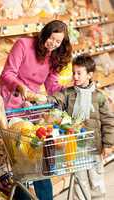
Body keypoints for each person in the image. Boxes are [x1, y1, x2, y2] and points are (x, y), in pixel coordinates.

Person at [0, 20, 72, 200]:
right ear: (45, 33)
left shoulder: (52, 57)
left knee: (35, 159)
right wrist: (22, 88)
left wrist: (66, 93)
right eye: (51, 38)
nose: (53, 44)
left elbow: (51, 85)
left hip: (29, 111)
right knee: (24, 160)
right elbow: (7, 74)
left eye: (58, 42)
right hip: (9, 107)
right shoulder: (23, 44)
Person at [48, 53, 114, 200]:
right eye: (74, 73)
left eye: (79, 73)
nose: (75, 76)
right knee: (79, 182)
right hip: (75, 148)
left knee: (96, 181)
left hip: (94, 147)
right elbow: (55, 99)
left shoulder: (99, 96)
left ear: (89, 75)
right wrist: (43, 100)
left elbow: (108, 121)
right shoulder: (68, 93)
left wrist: (108, 144)